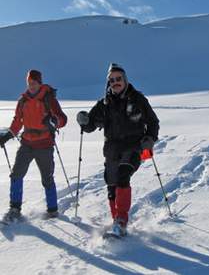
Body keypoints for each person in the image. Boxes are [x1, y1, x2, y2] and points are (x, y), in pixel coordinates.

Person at [77, 63, 159, 236]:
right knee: (111, 183)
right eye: (112, 80)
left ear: (125, 79)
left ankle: (121, 221)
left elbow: (153, 122)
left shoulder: (138, 99)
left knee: (123, 176)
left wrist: (149, 139)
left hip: (134, 148)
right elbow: (91, 124)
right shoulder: (104, 103)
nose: (115, 82)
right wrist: (84, 121)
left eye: (118, 79)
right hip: (112, 150)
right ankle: (116, 219)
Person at [0, 70, 67, 221]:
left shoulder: (48, 99)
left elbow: (62, 119)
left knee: (47, 178)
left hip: (44, 144)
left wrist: (55, 121)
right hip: (26, 144)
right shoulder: (23, 101)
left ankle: (52, 211)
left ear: (39, 83)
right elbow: (17, 122)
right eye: (29, 83)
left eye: (34, 83)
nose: (31, 86)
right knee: (16, 174)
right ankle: (14, 209)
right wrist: (8, 135)